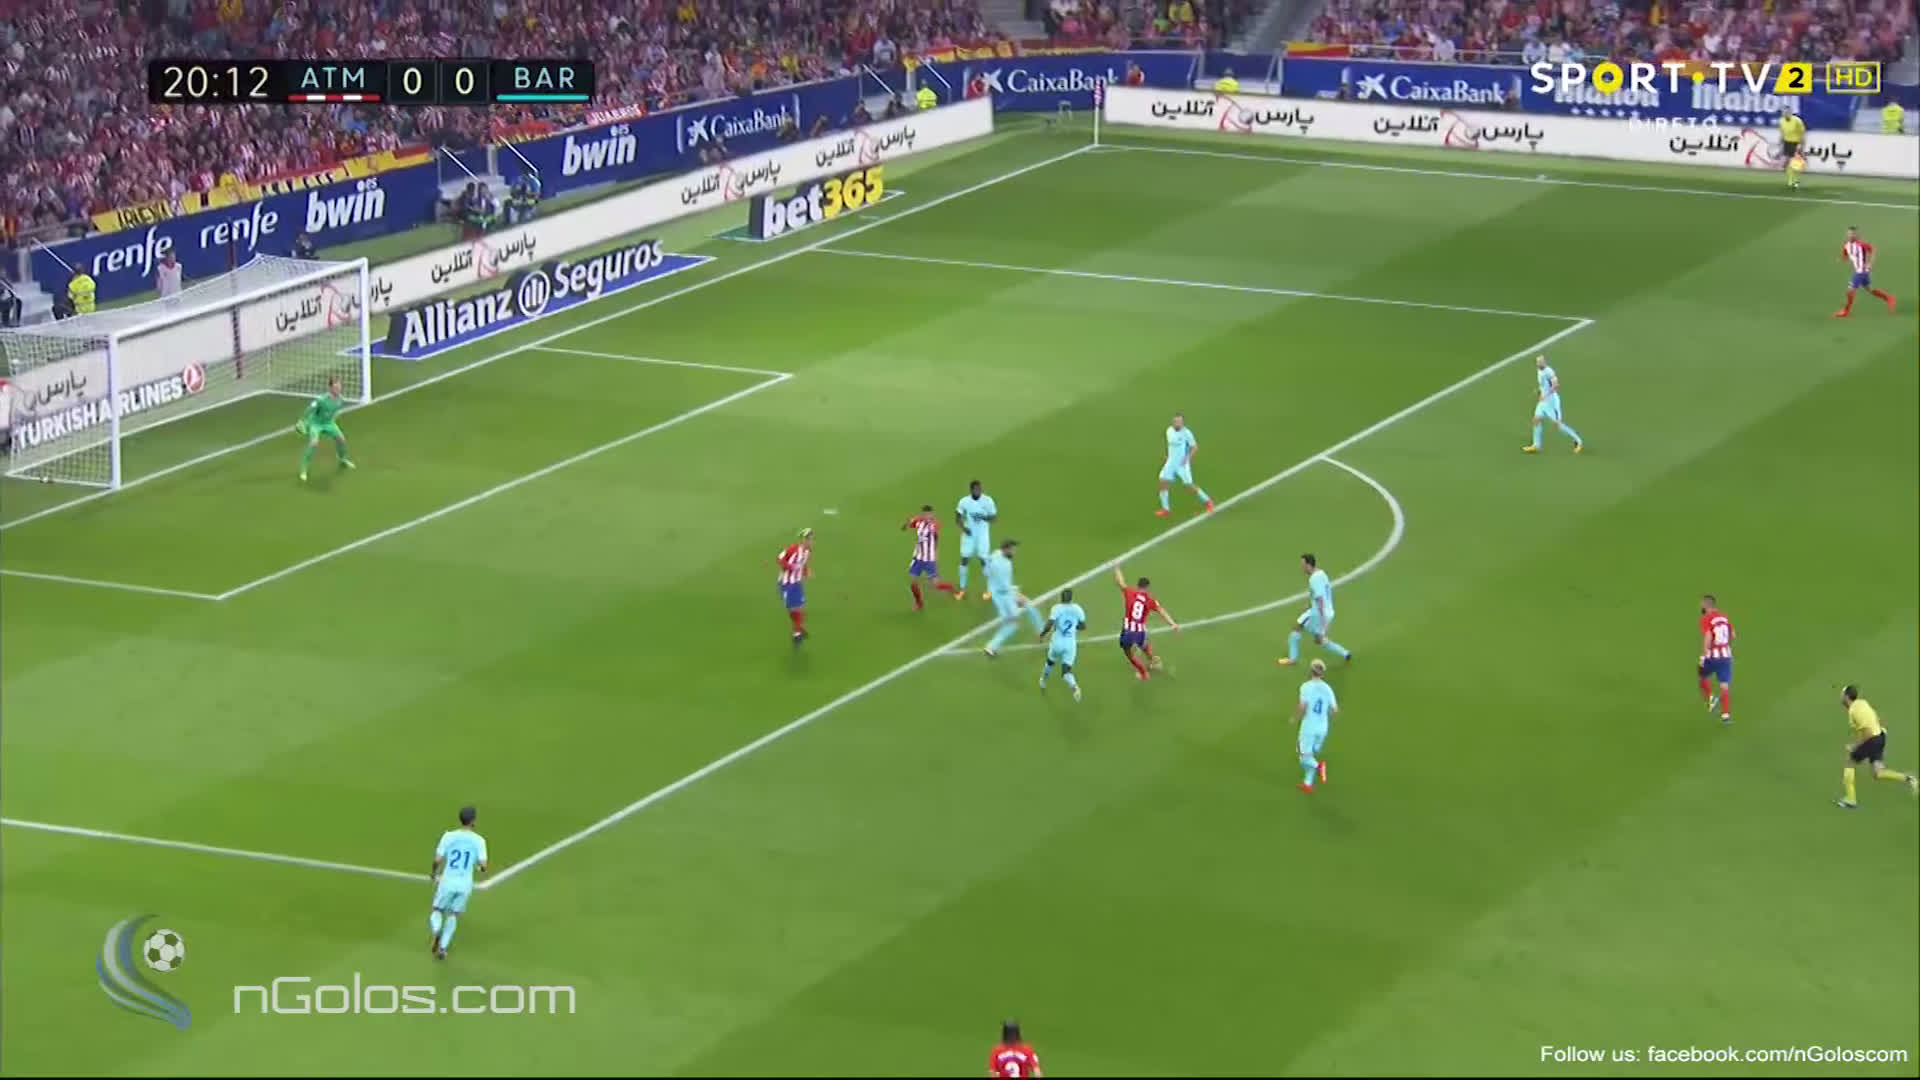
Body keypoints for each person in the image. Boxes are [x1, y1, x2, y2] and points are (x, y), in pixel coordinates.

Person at [1836, 685, 1919, 809]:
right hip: (1880, 736)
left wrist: (1855, 746)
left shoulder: (1854, 710)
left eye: (1842, 694)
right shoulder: (1862, 703)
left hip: (1872, 739)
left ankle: (1850, 799)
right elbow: (1875, 719)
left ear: (1847, 697)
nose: (1840, 697)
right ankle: (1909, 779)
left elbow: (1867, 732)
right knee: (1877, 773)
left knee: (1849, 762)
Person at [429, 805, 488, 959]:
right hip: (465, 884)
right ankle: (443, 948)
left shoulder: (448, 836)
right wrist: (479, 868)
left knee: (437, 910)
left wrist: (434, 873)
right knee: (453, 915)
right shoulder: (479, 841)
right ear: (473, 821)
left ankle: (436, 931)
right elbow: (483, 866)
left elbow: (438, 859)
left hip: (448, 881)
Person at [1279, 553, 1352, 666]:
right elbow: (1319, 595)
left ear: (1308, 565)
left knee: (1296, 628)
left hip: (1318, 613)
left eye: (1303, 565)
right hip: (1327, 611)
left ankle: (1292, 659)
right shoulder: (1321, 573)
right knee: (1319, 640)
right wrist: (1309, 605)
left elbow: (1320, 599)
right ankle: (1345, 653)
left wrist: (1323, 622)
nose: (1302, 568)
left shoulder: (1314, 579)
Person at [1113, 564, 1178, 680]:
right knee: (1145, 646)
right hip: (1140, 632)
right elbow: (1161, 611)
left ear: (1138, 586)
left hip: (1127, 631)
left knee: (1129, 654)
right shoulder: (1149, 600)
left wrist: (1116, 568)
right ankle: (1155, 661)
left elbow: (1120, 582)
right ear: (1147, 588)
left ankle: (1143, 673)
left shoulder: (1130, 592)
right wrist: (1172, 623)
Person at [982, 540, 1045, 657]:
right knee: (1013, 624)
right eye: (1012, 549)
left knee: (1030, 607)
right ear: (1006, 549)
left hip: (997, 591)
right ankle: (991, 647)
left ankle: (1041, 632)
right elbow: (1004, 585)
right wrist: (1017, 596)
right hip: (1004, 596)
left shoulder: (995, 554)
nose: (1015, 552)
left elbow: (985, 572)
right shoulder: (1004, 565)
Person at [295, 375, 356, 482]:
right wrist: (302, 421)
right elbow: (310, 409)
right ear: (330, 388)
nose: (338, 389)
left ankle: (342, 460)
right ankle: (304, 470)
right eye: (336, 387)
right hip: (316, 424)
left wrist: (331, 422)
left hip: (329, 423)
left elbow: (333, 412)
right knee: (314, 443)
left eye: (339, 387)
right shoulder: (321, 400)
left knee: (341, 439)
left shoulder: (340, 400)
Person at [1522, 354, 1584, 454]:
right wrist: (1539, 391)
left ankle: (1578, 441)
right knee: (1536, 420)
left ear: (1544, 362)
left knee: (1558, 425)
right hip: (1543, 402)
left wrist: (1545, 395)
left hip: (1552, 402)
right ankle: (1536, 445)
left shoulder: (1549, 372)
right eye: (1538, 362)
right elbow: (1544, 385)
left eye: (1541, 361)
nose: (1540, 363)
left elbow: (1556, 386)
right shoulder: (1539, 371)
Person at [1293, 658, 1338, 793]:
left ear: (1310, 671)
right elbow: (1334, 710)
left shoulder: (1306, 687)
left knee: (1303, 756)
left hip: (1309, 727)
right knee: (1310, 753)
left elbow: (1302, 706)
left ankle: (1319, 767)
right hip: (1323, 728)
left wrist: (1295, 718)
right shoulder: (1328, 689)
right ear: (1322, 673)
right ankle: (1308, 783)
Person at [1155, 412, 1212, 517]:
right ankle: (1166, 509)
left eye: (1179, 421)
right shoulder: (1169, 431)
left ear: (1182, 422)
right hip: (1171, 463)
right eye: (1175, 421)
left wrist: (1187, 459)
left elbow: (1194, 447)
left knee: (1188, 486)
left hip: (1182, 464)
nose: (1177, 423)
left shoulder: (1187, 433)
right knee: (1163, 481)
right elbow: (1170, 445)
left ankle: (1208, 501)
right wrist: (1167, 456)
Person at [1835, 225, 1897, 318]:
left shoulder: (1861, 244)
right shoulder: (1846, 245)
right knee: (1870, 290)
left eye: (1853, 234)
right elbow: (1846, 255)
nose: (1851, 235)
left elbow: (1873, 250)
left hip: (1861, 271)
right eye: (1849, 233)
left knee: (1850, 290)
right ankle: (1889, 298)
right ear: (1847, 234)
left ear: (1856, 235)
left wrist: (1870, 263)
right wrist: (1842, 259)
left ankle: (1846, 311)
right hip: (1861, 271)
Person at [1037, 588, 1087, 701]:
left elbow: (1049, 625)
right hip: (1070, 644)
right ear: (1071, 598)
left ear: (1061, 598)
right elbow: (1083, 626)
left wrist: (1042, 635)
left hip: (1057, 642)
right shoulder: (1077, 609)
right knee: (1066, 672)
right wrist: (1074, 627)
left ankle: (1043, 680)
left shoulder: (1057, 608)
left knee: (1050, 662)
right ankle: (1074, 687)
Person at [902, 504, 956, 609]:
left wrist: (936, 554)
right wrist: (908, 523)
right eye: (925, 514)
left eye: (929, 514)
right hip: (918, 558)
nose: (927, 516)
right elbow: (907, 526)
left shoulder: (933, 525)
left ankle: (951, 588)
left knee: (936, 585)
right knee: (913, 583)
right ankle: (919, 603)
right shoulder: (918, 522)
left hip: (929, 559)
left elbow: (936, 532)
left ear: (932, 515)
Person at [953, 480, 998, 600]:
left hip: (983, 535)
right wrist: (964, 528)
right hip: (969, 535)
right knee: (964, 559)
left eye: (980, 489)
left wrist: (984, 517)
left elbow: (994, 518)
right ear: (971, 490)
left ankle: (990, 590)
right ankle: (962, 589)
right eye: (976, 489)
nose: (979, 491)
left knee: (984, 560)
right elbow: (957, 517)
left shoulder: (988, 501)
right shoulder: (964, 501)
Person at [1697, 595, 1735, 724]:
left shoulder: (1706, 618)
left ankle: (1711, 698)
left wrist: (1705, 654)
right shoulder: (1724, 617)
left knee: (1702, 675)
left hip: (1712, 656)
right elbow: (1733, 635)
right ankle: (1726, 715)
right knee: (1724, 686)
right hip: (1726, 655)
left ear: (1705, 605)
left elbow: (1708, 636)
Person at [776, 528, 814, 645]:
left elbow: (803, 563)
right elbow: (779, 559)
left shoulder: (808, 552)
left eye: (812, 539)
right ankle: (799, 627)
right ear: (803, 540)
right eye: (809, 539)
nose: (811, 541)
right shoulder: (792, 549)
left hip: (796, 583)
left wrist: (806, 571)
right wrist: (790, 567)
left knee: (798, 608)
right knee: (792, 609)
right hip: (786, 583)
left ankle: (797, 633)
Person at [1776, 108, 1805, 175]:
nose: (1786, 114)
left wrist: (1801, 144)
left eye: (1787, 113)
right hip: (1787, 141)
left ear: (1791, 113)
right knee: (1785, 157)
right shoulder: (1781, 121)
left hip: (1796, 142)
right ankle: (1783, 169)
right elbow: (1782, 132)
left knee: (1797, 157)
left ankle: (1800, 170)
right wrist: (1780, 141)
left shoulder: (1797, 121)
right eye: (1784, 113)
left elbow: (1802, 133)